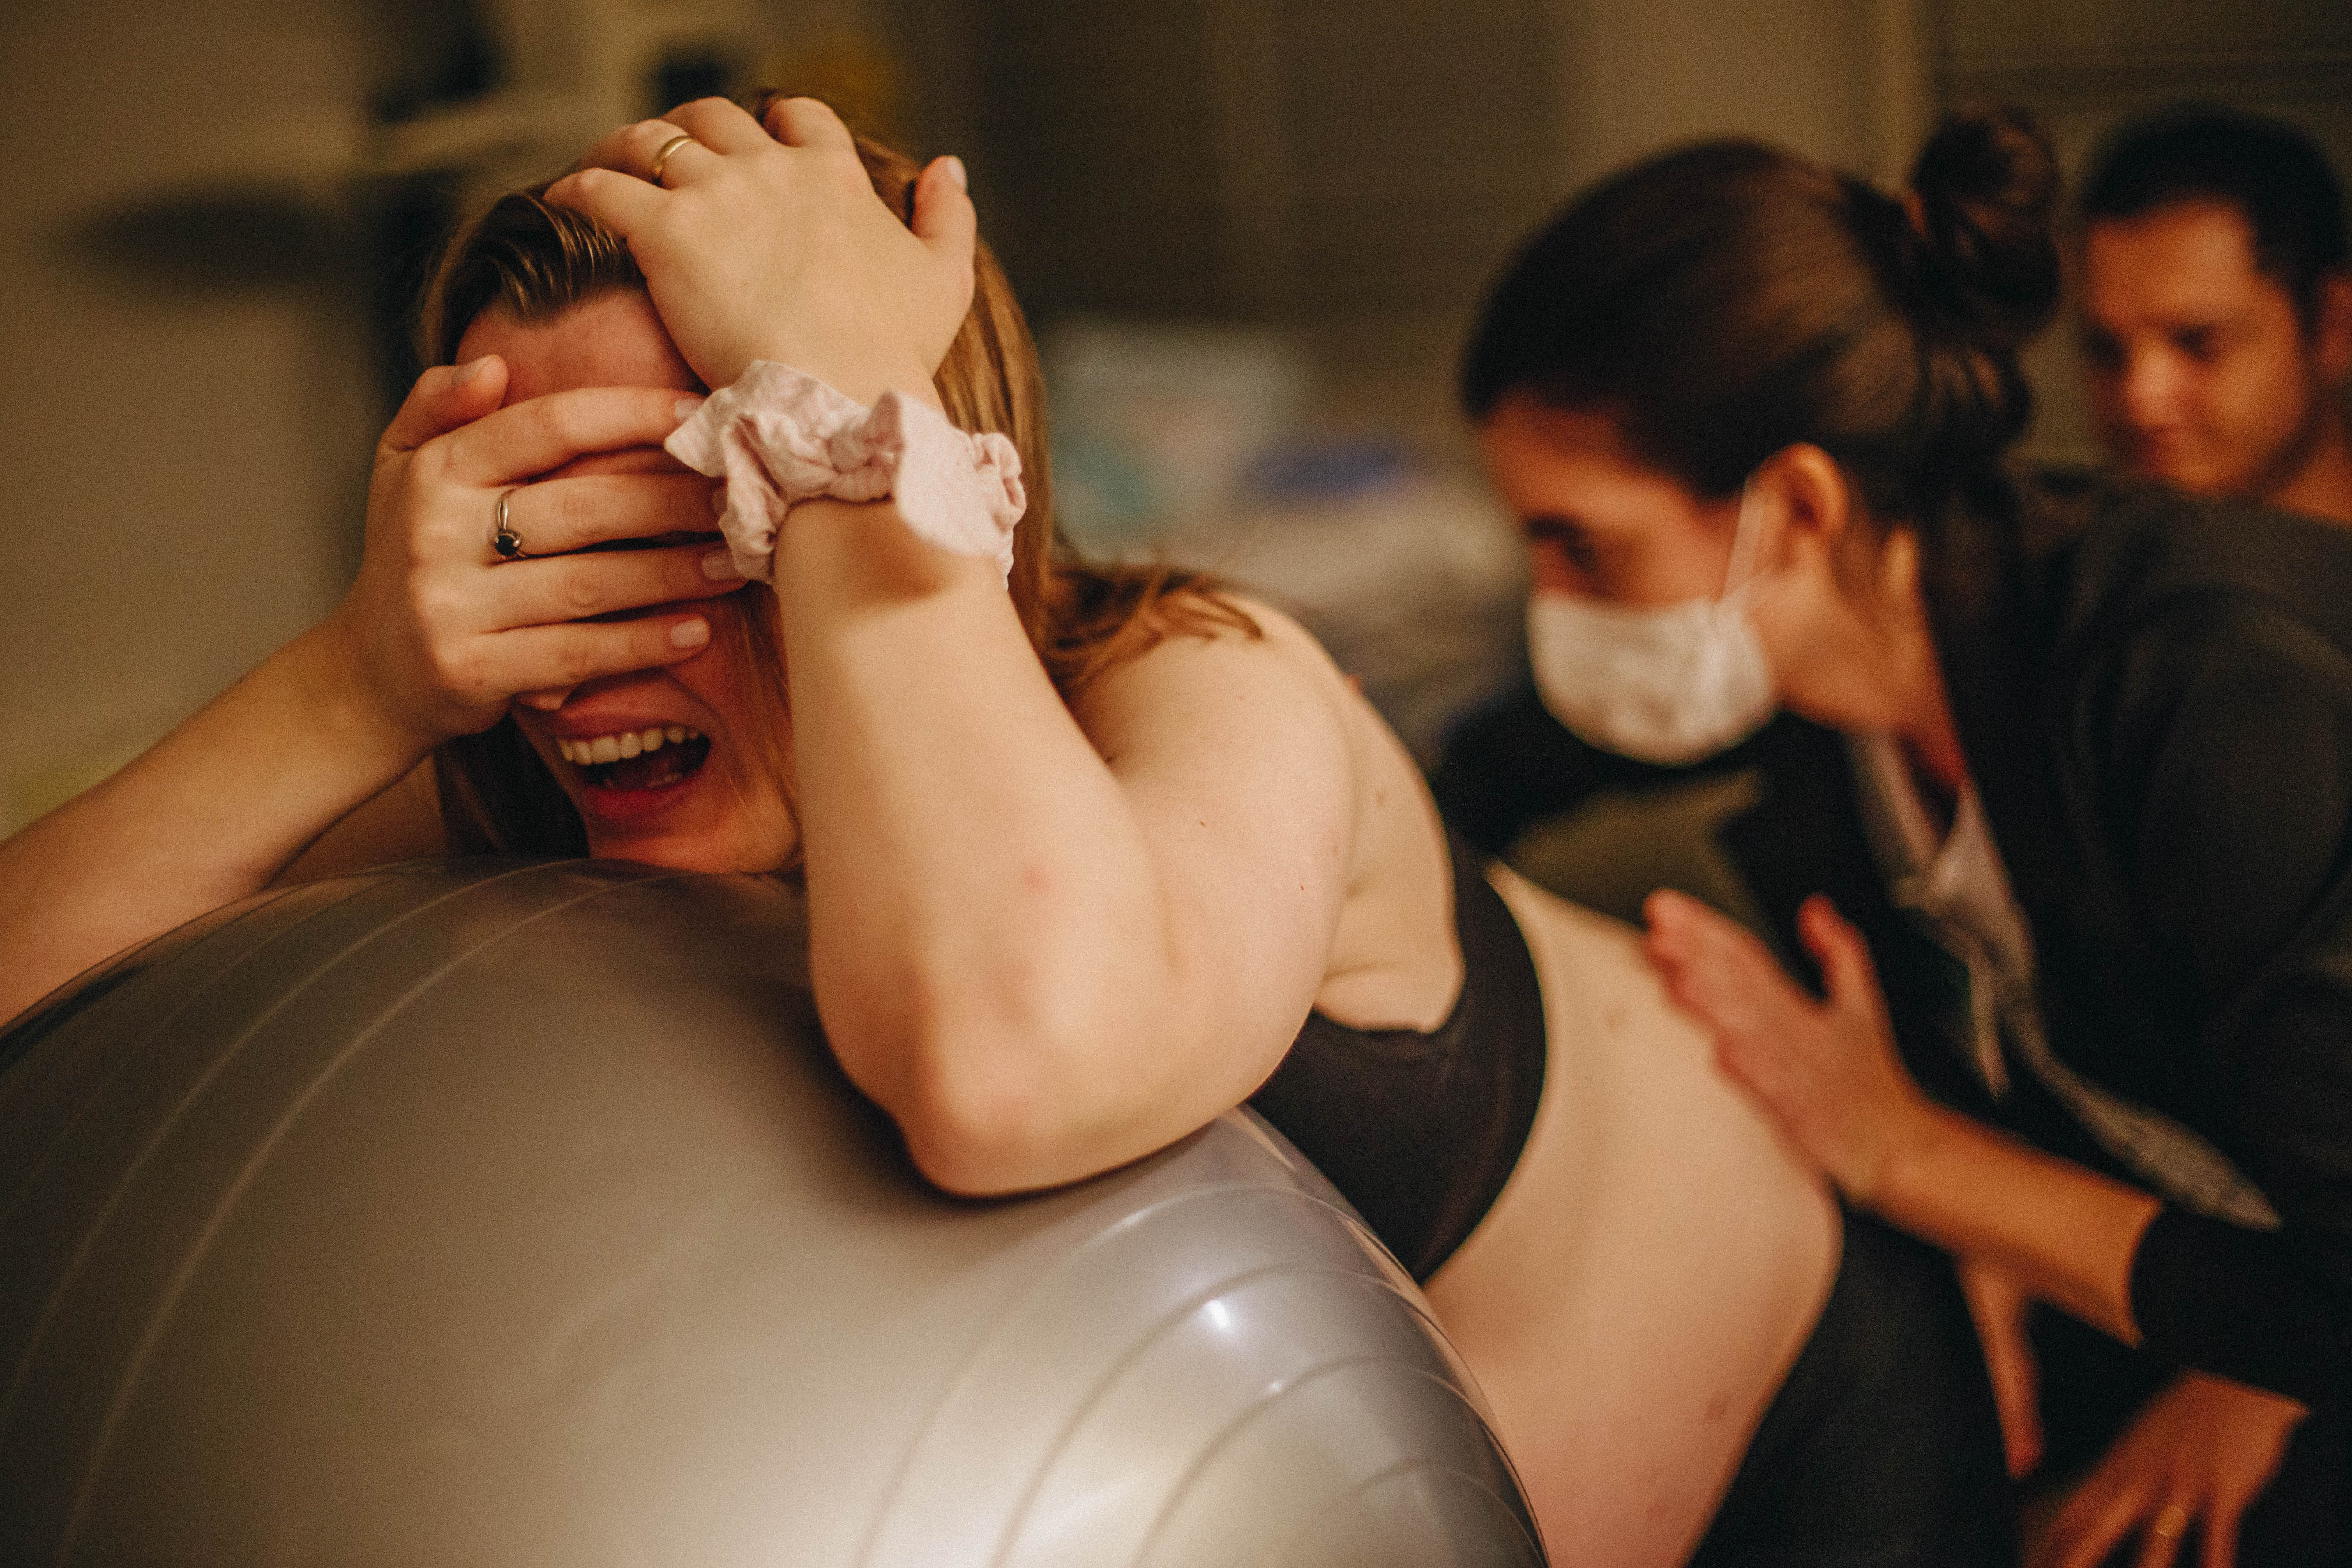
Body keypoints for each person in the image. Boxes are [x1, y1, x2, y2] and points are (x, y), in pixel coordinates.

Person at [0, 94, 2013, 1566]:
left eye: (707, 500)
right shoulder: (523, 723)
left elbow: (1011, 1061)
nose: (605, 623)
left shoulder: (1206, 677)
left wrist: (837, 410)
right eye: (534, 522)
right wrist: (353, 681)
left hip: (1796, 1413)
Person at [1451, 103, 2352, 1566]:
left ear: (1794, 508)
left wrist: (1908, 1156)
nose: (1557, 606)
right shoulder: (1817, 683)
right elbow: (1481, 774)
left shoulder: (2200, 690)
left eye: (1582, 545)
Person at [2075, 105, 2352, 524]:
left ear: (2335, 327)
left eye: (2198, 342)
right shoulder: (2069, 558)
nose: (2140, 400)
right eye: (2107, 350)